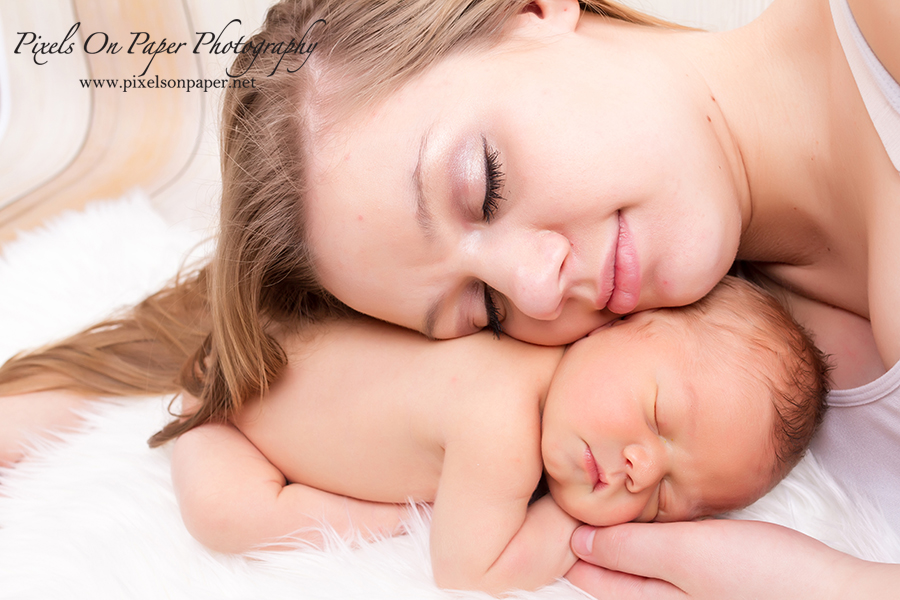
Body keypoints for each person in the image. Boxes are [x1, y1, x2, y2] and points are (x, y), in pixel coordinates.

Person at [2, 0, 898, 596]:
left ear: (533, 11)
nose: (540, 286)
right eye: (486, 309)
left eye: (487, 182)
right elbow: (234, 350)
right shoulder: (717, 335)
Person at [168, 277, 827, 594]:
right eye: (657, 417)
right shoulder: (502, 420)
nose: (640, 469)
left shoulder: (536, 367)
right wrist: (574, 527)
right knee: (229, 515)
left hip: (278, 347)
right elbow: (465, 571)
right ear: (616, 324)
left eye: (664, 499)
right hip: (230, 416)